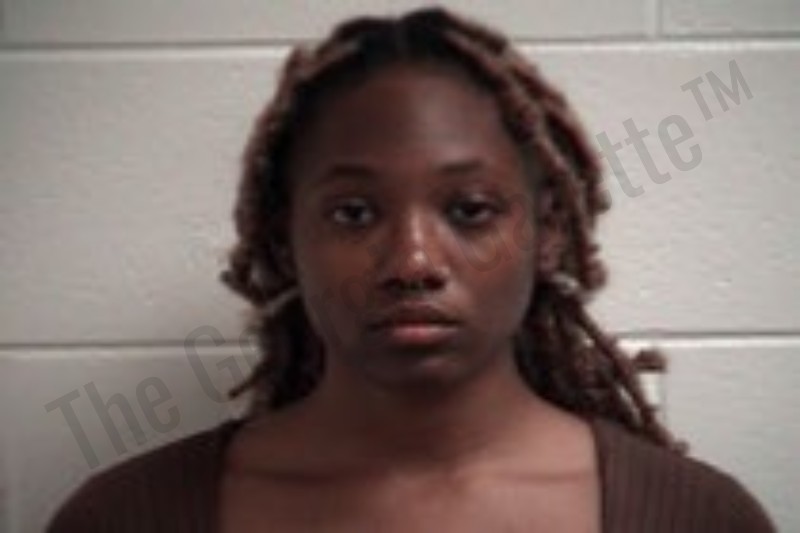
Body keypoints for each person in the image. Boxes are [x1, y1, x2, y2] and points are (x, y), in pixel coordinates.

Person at [47, 7, 775, 532]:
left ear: (547, 233)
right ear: (284, 239)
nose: (414, 262)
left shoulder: (698, 517)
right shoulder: (126, 516)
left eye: (470, 209)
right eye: (354, 213)